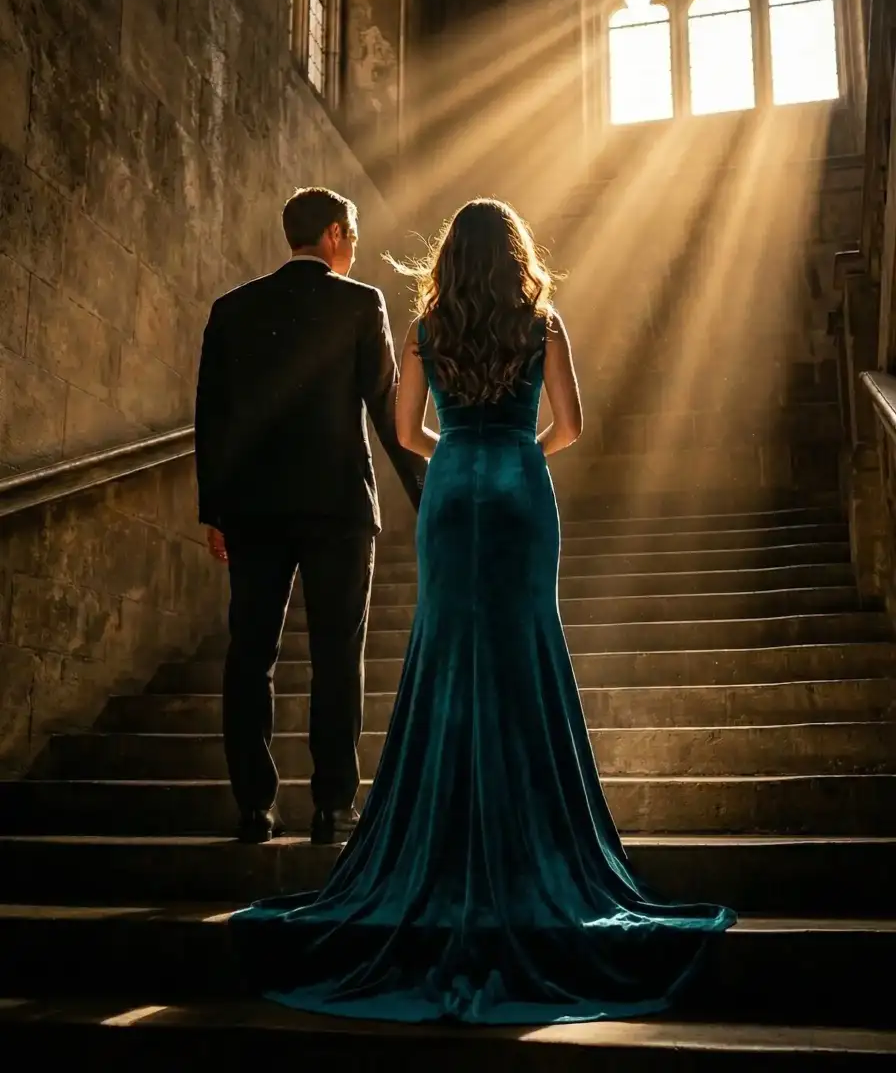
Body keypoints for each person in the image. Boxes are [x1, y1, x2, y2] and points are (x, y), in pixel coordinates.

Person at [229, 198, 735, 1021]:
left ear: (451, 259)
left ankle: (444, 832)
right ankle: (534, 838)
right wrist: (519, 450)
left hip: (453, 491)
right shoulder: (543, 322)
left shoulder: (425, 328)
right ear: (515, 254)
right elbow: (571, 425)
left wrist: (458, 448)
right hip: (518, 491)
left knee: (447, 653)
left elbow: (405, 430)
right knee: (524, 649)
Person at [194, 187, 426, 845]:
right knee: (336, 654)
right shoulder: (360, 303)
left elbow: (211, 417)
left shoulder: (233, 309)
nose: (354, 248)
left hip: (254, 509)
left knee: (250, 655)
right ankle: (332, 807)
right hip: (338, 508)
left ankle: (254, 808)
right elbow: (389, 409)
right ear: (333, 235)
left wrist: (215, 510)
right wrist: (427, 495)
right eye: (352, 236)